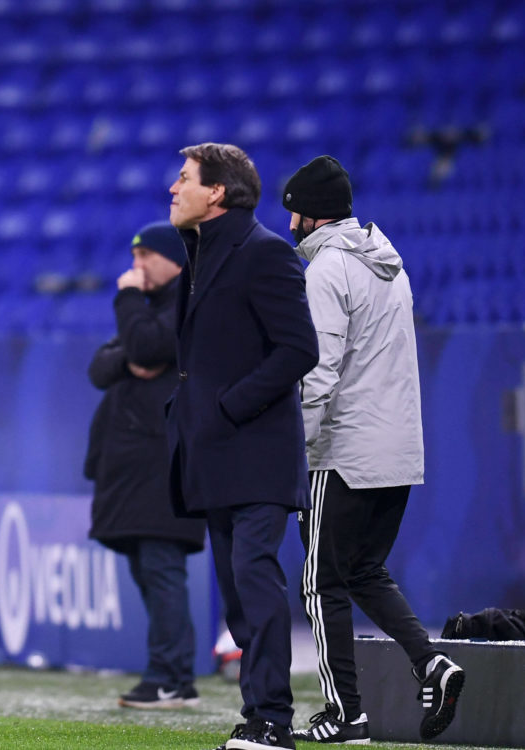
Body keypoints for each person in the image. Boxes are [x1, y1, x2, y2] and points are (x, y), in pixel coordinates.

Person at [282, 155, 465, 744]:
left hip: (345, 450)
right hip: (398, 449)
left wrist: (297, 450)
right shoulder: (390, 267)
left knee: (320, 584)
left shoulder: (329, 271)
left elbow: (319, 371)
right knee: (363, 570)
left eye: (293, 215)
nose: (288, 226)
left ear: (313, 216)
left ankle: (346, 714)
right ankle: (429, 661)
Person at [163, 143, 319, 750]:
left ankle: (274, 722)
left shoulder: (265, 253)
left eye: (184, 179)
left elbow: (298, 349)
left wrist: (229, 406)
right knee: (236, 595)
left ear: (217, 193)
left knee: (255, 582)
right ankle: (258, 714)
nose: (173, 189)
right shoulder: (201, 255)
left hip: (255, 451)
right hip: (215, 452)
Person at [84, 221, 207, 710]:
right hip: (134, 468)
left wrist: (129, 309)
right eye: (133, 259)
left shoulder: (186, 301)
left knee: (161, 568)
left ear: (173, 258)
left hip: (163, 464)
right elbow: (102, 365)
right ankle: (175, 675)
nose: (135, 269)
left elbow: (147, 347)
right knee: (149, 570)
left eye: (145, 258)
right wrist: (130, 349)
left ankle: (168, 676)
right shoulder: (152, 308)